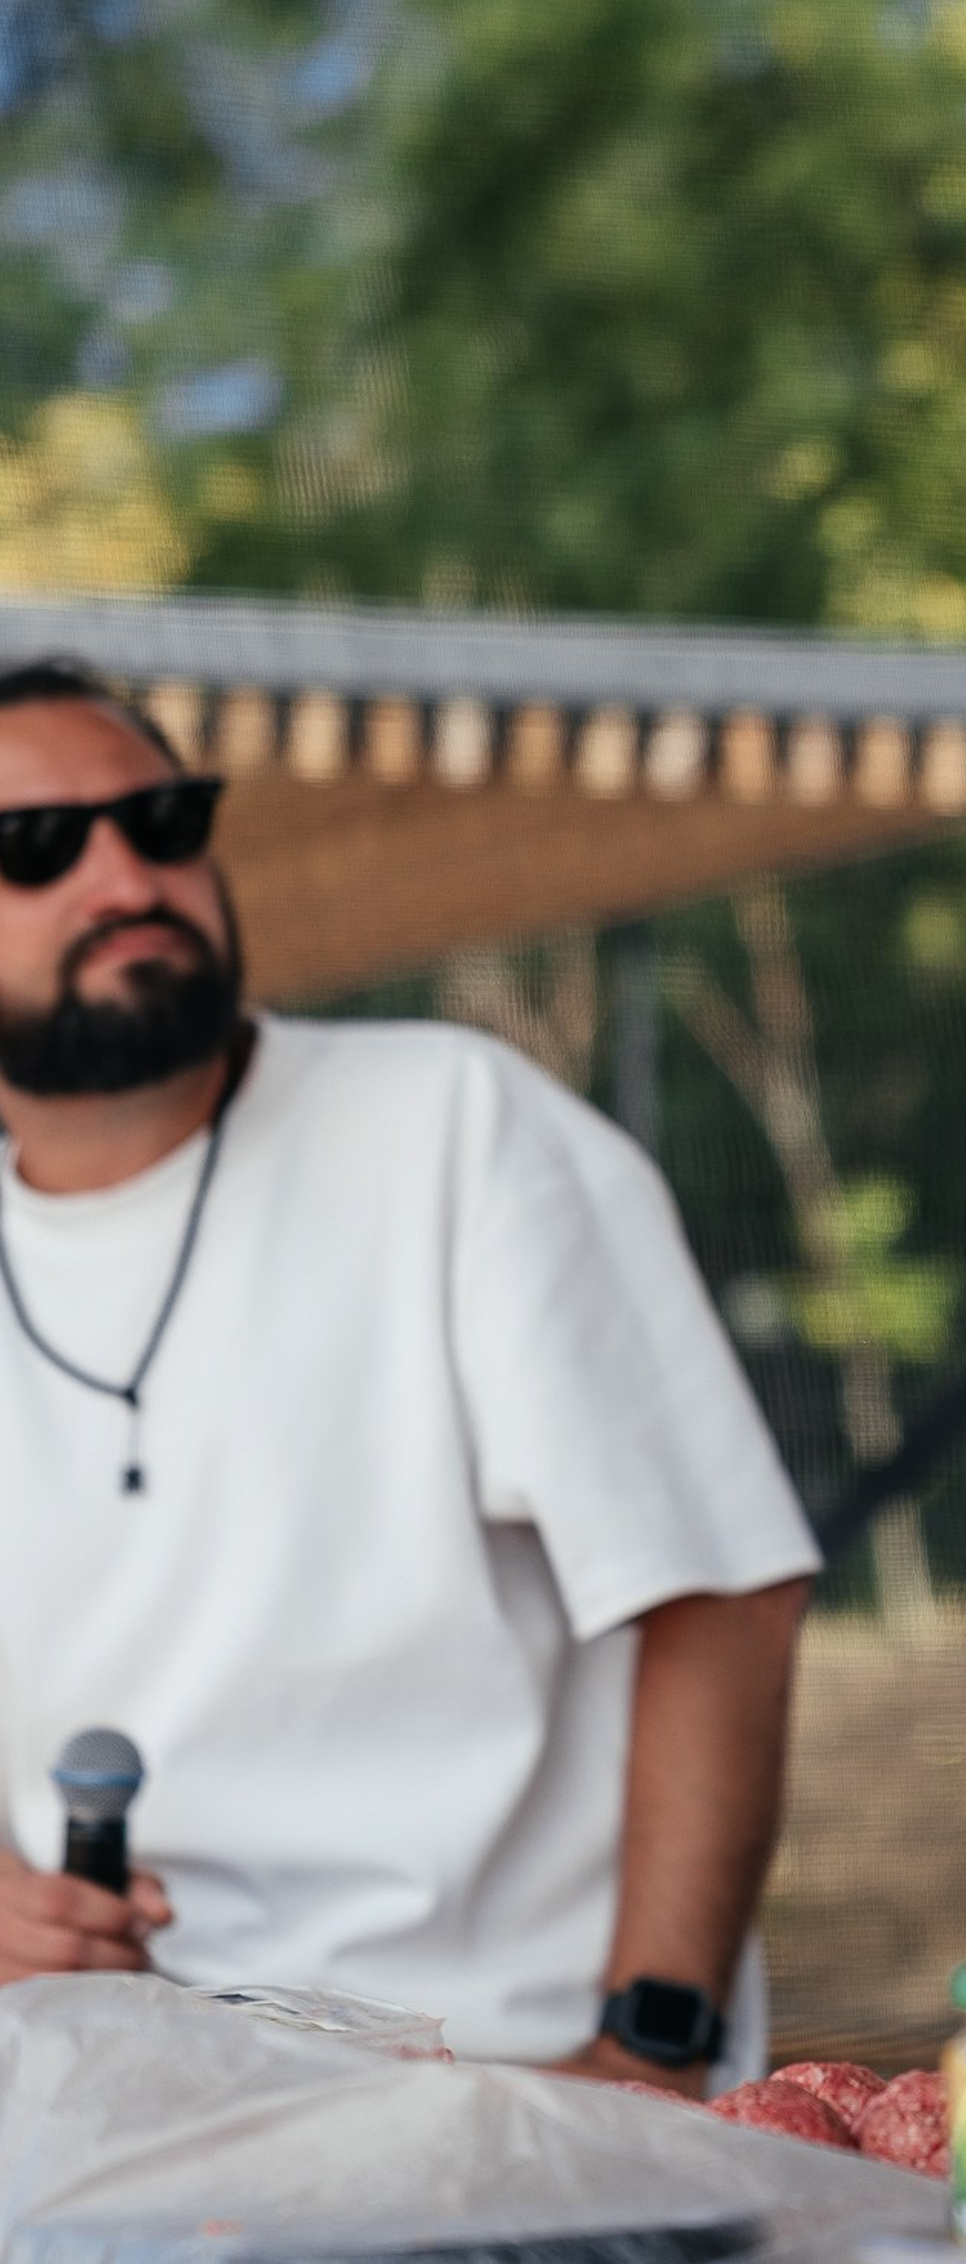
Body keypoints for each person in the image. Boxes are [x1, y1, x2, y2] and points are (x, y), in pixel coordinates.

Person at [0, 659, 821, 2094]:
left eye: (166, 822)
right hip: (99, 2105)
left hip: (495, 2096)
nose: (129, 878)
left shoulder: (452, 1127)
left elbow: (721, 1592)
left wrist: (650, 2049)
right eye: (37, 846)